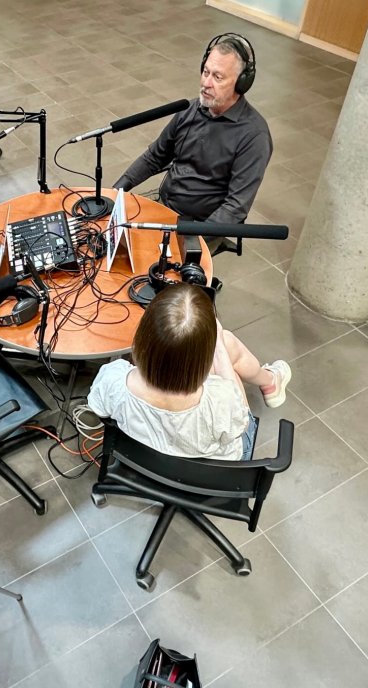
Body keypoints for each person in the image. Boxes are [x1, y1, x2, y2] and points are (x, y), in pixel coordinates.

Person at [87, 284, 290, 461]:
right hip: (212, 475)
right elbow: (240, 426)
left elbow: (99, 408)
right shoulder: (221, 400)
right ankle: (270, 380)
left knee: (226, 350)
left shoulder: (113, 379)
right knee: (228, 349)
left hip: (143, 462)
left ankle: (269, 380)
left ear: (142, 339)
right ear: (205, 358)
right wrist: (219, 346)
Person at [113, 34, 272, 253]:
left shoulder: (254, 136)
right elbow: (154, 157)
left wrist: (191, 242)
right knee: (113, 243)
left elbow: (235, 207)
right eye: (206, 72)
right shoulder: (189, 110)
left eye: (217, 77)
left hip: (202, 226)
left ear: (241, 83)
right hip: (165, 207)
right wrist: (115, 191)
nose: (206, 83)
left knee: (149, 264)